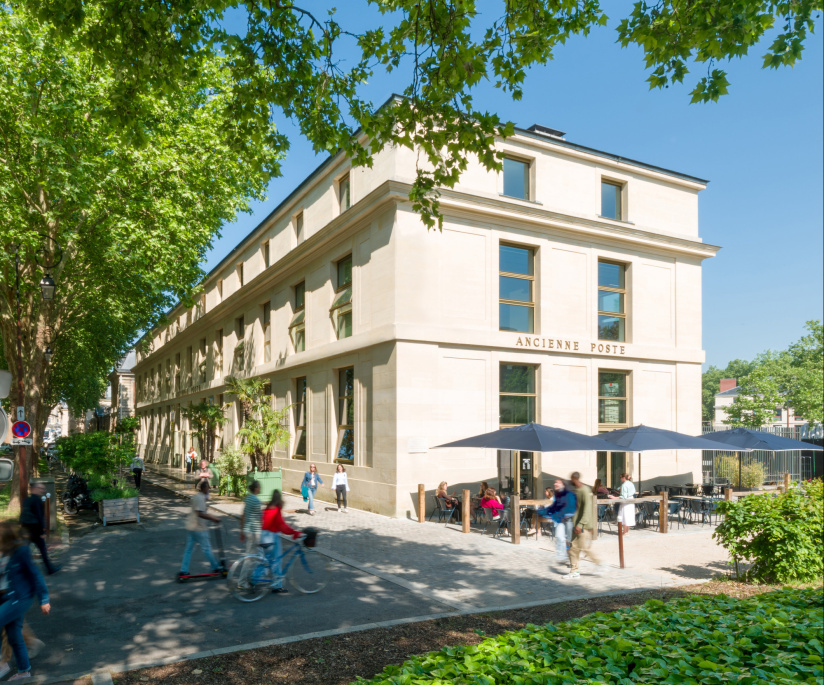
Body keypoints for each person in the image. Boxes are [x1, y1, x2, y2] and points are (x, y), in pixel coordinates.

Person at [0, 521, 51, 681]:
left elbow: (35, 574)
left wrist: (44, 599)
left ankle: (1, 664)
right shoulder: (5, 550)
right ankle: (24, 672)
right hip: (7, 598)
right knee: (14, 635)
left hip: (18, 599)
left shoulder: (21, 550)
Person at [564, 471, 605, 580]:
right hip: (577, 524)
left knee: (578, 548)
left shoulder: (584, 490)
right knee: (575, 548)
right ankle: (575, 570)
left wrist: (580, 524)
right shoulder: (577, 491)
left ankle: (598, 565)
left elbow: (587, 509)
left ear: (574, 479)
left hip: (582, 525)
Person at [261, 490, 303, 593]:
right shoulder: (276, 510)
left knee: (265, 560)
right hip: (272, 536)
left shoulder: (267, 508)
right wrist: (294, 532)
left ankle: (254, 579)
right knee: (277, 561)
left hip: (263, 535)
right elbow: (282, 526)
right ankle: (277, 585)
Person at [179, 481, 222, 578]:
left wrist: (207, 498)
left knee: (188, 550)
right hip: (199, 528)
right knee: (207, 549)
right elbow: (200, 513)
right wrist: (213, 518)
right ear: (204, 489)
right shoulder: (200, 498)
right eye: (208, 488)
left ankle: (183, 570)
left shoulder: (198, 496)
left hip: (191, 527)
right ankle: (216, 567)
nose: (209, 490)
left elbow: (204, 504)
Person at [18, 483, 60, 576]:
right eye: (41, 488)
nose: (43, 490)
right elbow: (40, 517)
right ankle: (49, 569)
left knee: (24, 549)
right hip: (36, 531)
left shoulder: (27, 500)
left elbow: (23, 515)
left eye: (43, 489)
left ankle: (22, 569)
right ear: (34, 488)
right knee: (42, 551)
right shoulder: (37, 500)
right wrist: (42, 531)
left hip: (26, 530)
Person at [540, 479, 577, 562]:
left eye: (557, 482)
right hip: (560, 520)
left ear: (562, 484)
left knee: (570, 540)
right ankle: (565, 556)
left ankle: (572, 559)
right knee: (560, 537)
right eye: (555, 482)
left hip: (568, 520)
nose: (555, 484)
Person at [239, 481, 262, 555]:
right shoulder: (257, 501)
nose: (260, 488)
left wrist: (242, 530)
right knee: (253, 554)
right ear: (256, 489)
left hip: (247, 529)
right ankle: (246, 566)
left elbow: (243, 515)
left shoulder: (248, 498)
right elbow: (260, 517)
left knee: (253, 552)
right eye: (259, 487)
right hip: (255, 531)